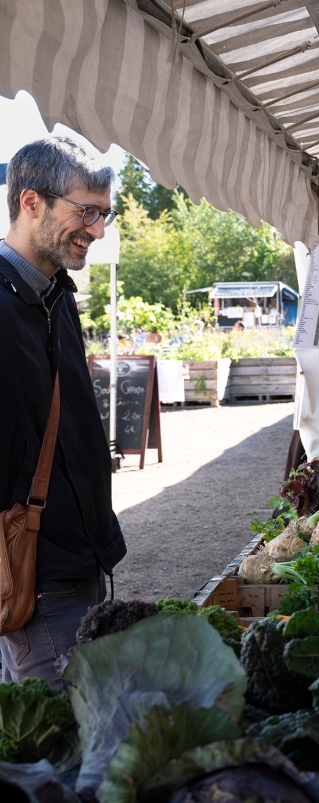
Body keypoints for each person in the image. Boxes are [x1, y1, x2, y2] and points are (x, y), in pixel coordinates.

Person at [0, 136, 127, 689]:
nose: (98, 230)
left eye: (104, 213)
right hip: (38, 578)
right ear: (32, 202)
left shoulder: (56, 294)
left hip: (78, 564)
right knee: (60, 755)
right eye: (86, 211)